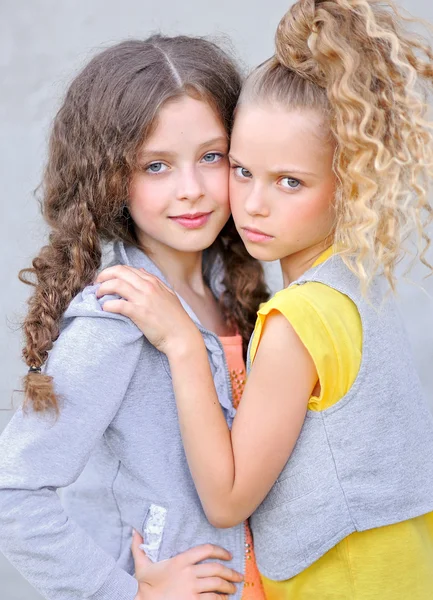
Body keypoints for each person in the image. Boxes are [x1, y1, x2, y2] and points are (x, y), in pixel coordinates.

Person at [101, 2, 433, 598]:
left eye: (290, 182)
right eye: (240, 168)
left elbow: (227, 500)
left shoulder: (297, 321)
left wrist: (181, 340)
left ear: (353, 184)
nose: (253, 203)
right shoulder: (354, 281)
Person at [0, 35, 269, 600]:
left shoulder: (230, 279)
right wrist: (130, 594)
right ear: (109, 177)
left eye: (211, 156)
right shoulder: (116, 319)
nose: (191, 190)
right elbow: (13, 492)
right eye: (156, 166)